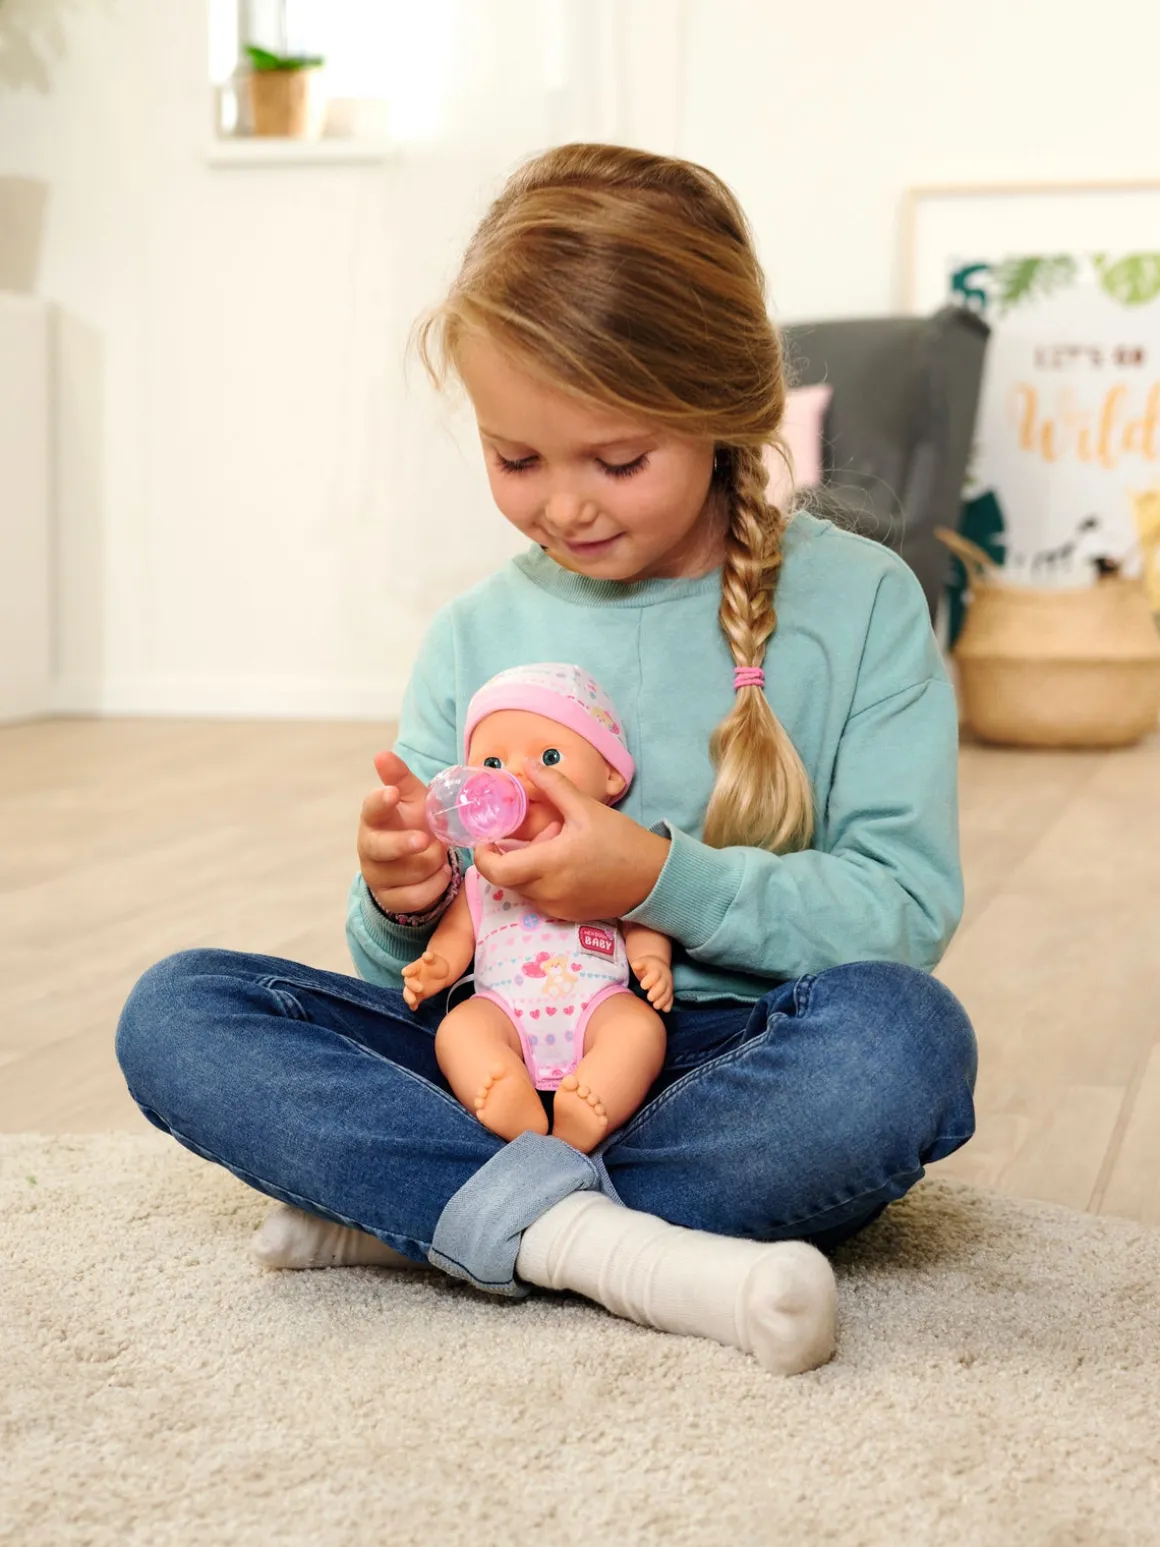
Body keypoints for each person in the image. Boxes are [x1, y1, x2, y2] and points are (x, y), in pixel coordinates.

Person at [115, 142, 977, 1378]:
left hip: (716, 1059)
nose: (563, 506)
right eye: (514, 459)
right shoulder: (475, 631)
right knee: (180, 1010)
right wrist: (402, 895)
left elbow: (898, 911)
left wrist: (654, 878)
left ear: (724, 409)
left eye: (616, 461)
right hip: (493, 1064)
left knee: (900, 1046)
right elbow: (403, 977)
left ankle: (429, 1212)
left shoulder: (863, 603)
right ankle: (610, 1245)